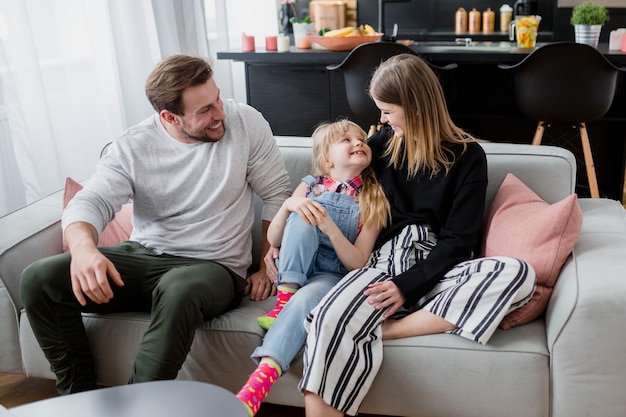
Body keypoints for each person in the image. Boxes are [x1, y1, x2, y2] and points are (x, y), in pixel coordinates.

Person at [19, 55, 292, 395]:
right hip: (144, 255)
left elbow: (278, 194)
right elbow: (90, 202)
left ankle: (140, 408)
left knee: (180, 288)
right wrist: (85, 250)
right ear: (169, 117)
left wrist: (266, 265)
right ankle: (79, 397)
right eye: (205, 110)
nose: (220, 113)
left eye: (217, 98)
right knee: (39, 279)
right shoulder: (132, 146)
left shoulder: (245, 121)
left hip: (215, 267)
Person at [298, 54, 537, 416]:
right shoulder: (377, 147)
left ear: (415, 106)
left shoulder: (468, 157)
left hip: (439, 270)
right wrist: (284, 230)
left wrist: (406, 286)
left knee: (519, 273)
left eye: (388, 111)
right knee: (326, 317)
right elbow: (326, 181)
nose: (381, 119)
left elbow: (460, 240)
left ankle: (387, 331)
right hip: (380, 265)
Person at [236, 119, 390, 417]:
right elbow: (274, 238)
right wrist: (289, 206)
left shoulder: (374, 199)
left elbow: (358, 262)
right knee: (302, 215)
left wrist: (331, 228)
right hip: (296, 269)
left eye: (361, 138)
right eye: (346, 140)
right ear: (326, 160)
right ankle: (283, 301)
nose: (358, 142)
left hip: (331, 277)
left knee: (307, 299)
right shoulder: (310, 185)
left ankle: (258, 382)